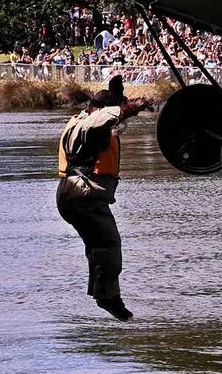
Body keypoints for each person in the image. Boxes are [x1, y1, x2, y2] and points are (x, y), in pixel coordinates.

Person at [56, 89, 151, 321]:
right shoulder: (90, 123)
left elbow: (104, 116)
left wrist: (118, 100)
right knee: (109, 244)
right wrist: (133, 106)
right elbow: (104, 117)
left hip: (75, 194)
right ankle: (107, 297)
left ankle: (104, 295)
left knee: (98, 248)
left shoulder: (82, 120)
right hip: (83, 193)